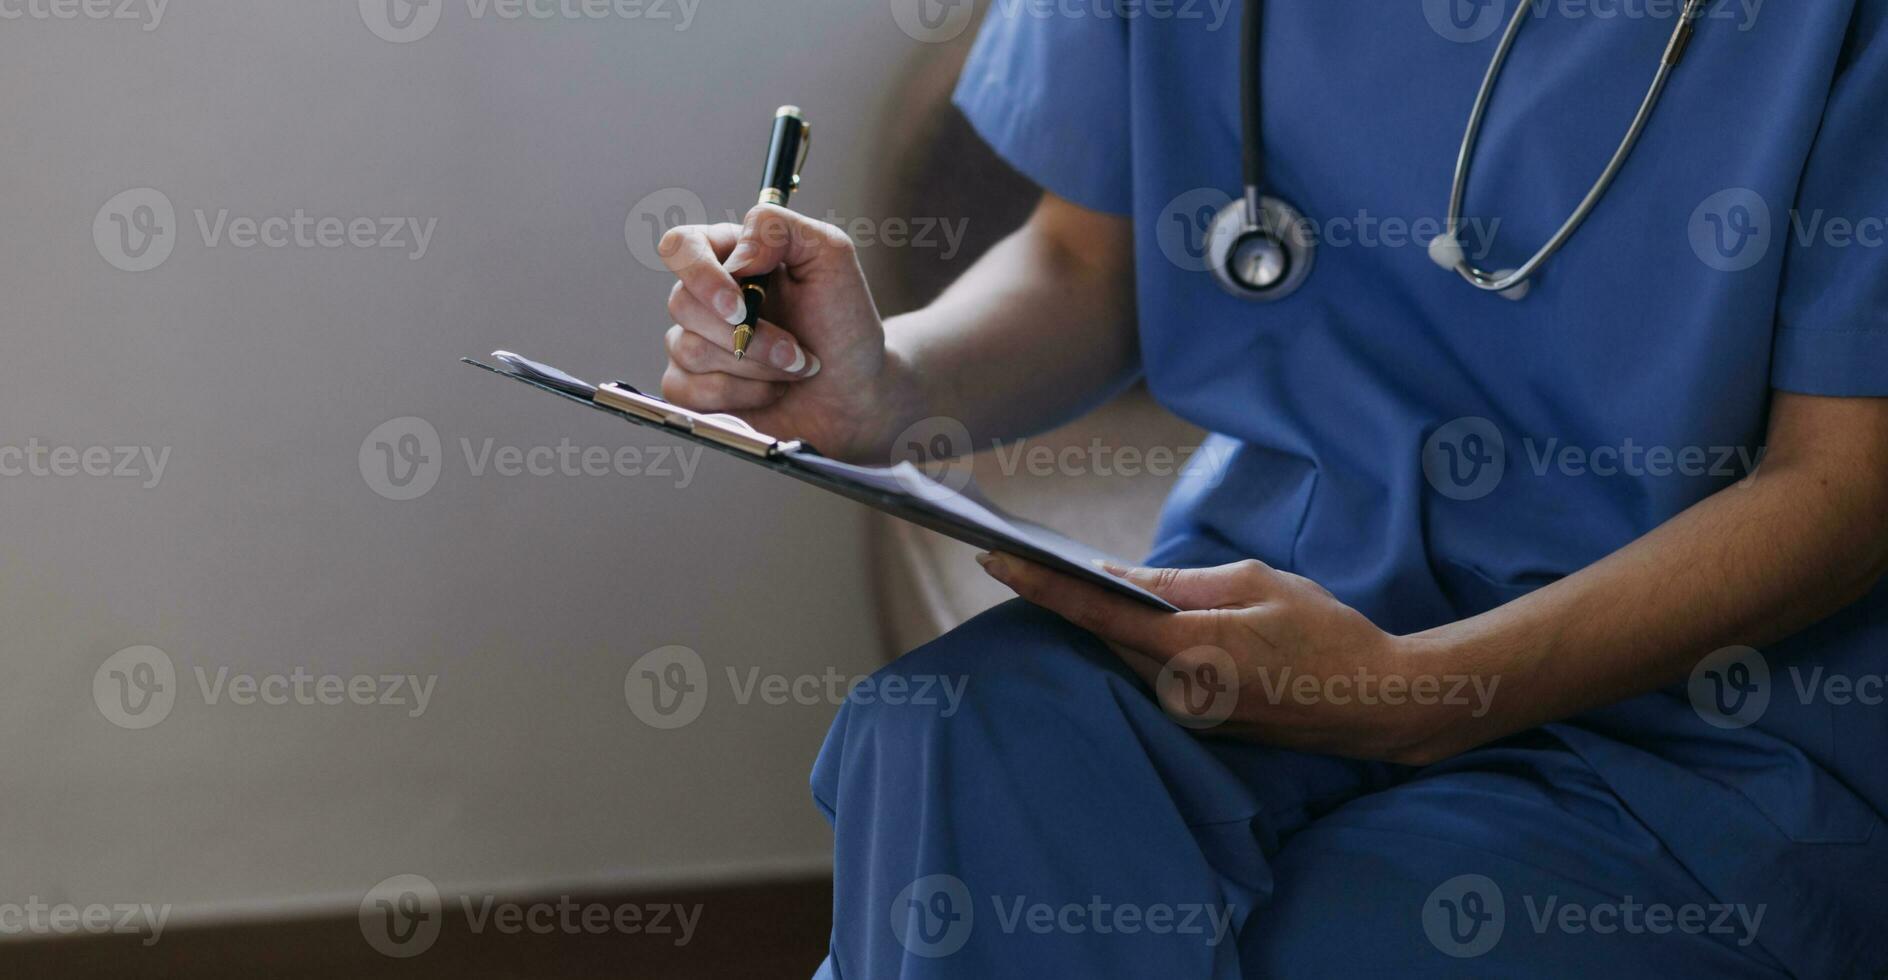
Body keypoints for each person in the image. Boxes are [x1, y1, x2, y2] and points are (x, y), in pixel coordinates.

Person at [654, 2, 1888, 976]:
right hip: (1259, 614)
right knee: (946, 735)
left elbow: (1842, 491)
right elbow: (1089, 262)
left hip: (1691, 734)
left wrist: (1423, 695)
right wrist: (885, 387)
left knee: (1313, 939)